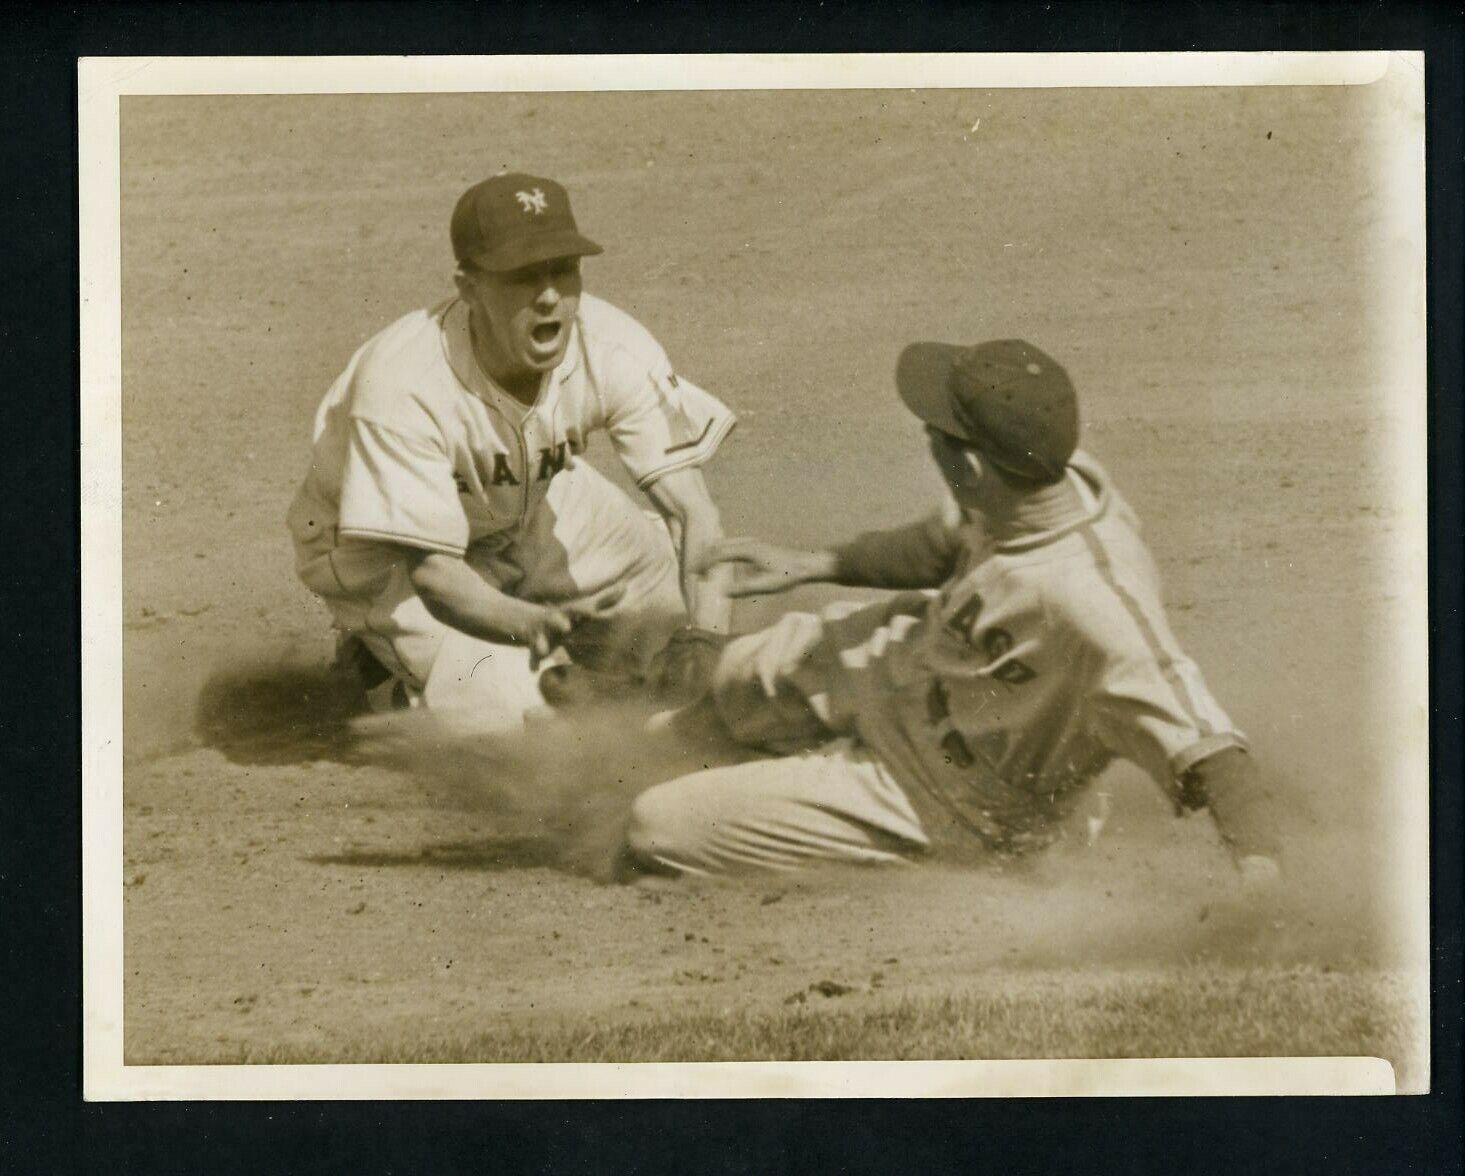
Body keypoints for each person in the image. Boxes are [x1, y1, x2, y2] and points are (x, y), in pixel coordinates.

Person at [620, 338, 1282, 885]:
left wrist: (1260, 887)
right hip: (909, 666)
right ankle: (665, 749)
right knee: (717, 688)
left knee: (655, 824)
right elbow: (940, 543)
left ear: (967, 464)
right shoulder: (1039, 472)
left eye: (934, 432)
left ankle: (834, 821)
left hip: (951, 796)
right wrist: (815, 564)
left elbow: (1215, 752)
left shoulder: (1093, 604)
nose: (926, 438)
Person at [287, 173, 735, 728]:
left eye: (563, 270)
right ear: (469, 286)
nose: (550, 296)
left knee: (663, 601)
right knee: (524, 718)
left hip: (526, 502)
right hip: (383, 550)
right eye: (523, 276)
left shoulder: (611, 344)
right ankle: (384, 672)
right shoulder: (402, 382)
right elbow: (435, 575)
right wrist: (530, 623)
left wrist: (708, 638)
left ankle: (557, 648)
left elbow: (694, 513)